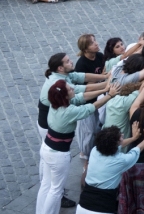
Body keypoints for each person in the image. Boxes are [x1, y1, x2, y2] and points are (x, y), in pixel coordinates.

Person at [36, 80, 119, 214]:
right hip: (58, 154)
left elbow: (81, 97)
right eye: (70, 89)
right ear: (65, 96)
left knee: (46, 184)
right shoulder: (69, 111)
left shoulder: (55, 104)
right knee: (56, 190)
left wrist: (105, 90)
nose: (73, 90)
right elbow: (90, 108)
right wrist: (109, 95)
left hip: (46, 148)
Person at [76, 122, 144, 214]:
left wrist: (133, 138)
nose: (122, 135)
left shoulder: (95, 150)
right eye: (120, 136)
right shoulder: (121, 160)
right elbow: (137, 149)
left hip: (82, 206)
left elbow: (118, 145)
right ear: (116, 144)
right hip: (103, 209)